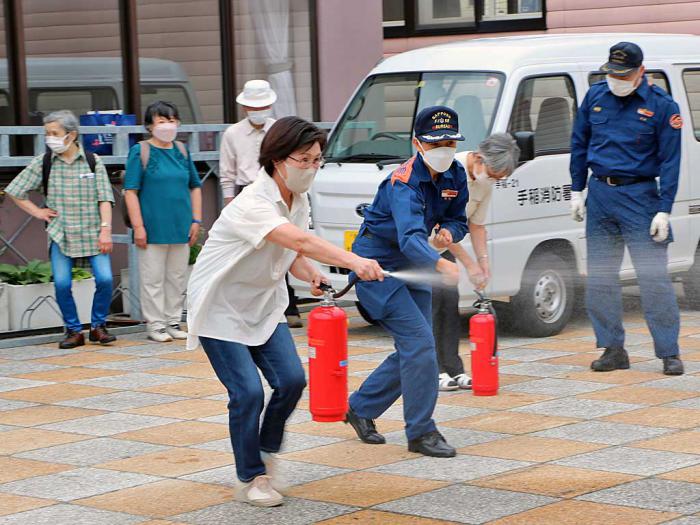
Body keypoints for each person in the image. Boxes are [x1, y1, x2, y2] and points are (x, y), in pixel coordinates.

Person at [186, 117, 383, 507]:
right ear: (278, 159)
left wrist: (312, 274)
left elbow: (291, 252)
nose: (311, 168)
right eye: (304, 159)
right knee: (246, 392)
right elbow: (296, 238)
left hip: (262, 304)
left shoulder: (298, 199)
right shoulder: (252, 203)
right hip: (220, 308)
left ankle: (265, 452)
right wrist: (353, 261)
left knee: (292, 381)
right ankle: (250, 477)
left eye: (317, 160)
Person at [345, 106, 468, 458]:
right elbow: (410, 235)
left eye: (449, 141)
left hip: (413, 263)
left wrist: (449, 231)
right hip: (376, 266)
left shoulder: (454, 174)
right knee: (420, 346)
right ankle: (421, 432)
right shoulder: (404, 182)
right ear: (417, 143)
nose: (444, 148)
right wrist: (438, 262)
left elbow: (458, 217)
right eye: (435, 143)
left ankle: (361, 408)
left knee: (416, 347)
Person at [570, 41, 684, 376]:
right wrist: (576, 189)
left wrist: (665, 209)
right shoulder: (595, 96)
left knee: (654, 280)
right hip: (601, 195)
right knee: (601, 279)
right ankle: (612, 349)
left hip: (641, 198)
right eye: (612, 73)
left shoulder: (662, 106)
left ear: (640, 73)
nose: (616, 80)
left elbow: (671, 161)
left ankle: (668, 352)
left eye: (623, 74)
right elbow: (579, 142)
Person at [5, 110, 116, 349]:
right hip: (60, 234)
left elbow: (105, 199)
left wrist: (105, 229)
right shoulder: (44, 162)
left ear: (72, 135)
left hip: (93, 232)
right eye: (47, 134)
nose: (50, 138)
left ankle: (98, 326)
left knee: (106, 279)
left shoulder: (93, 161)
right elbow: (15, 190)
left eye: (55, 133)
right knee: (62, 284)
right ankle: (74, 331)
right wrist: (38, 212)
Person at [433, 133, 520, 391]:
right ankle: (433, 369)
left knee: (449, 306)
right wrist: (469, 264)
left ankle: (454, 368)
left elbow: (477, 225)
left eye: (499, 178)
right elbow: (441, 227)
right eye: (494, 174)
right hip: (420, 244)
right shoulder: (448, 171)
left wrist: (483, 262)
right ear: (480, 159)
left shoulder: (486, 182)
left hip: (444, 248)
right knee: (431, 305)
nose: (494, 180)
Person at [219, 79, 303, 328]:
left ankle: (289, 305)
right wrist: (230, 205)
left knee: (284, 247)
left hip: (278, 190)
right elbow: (227, 173)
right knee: (253, 253)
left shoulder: (279, 129)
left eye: (262, 106)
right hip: (247, 195)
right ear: (245, 107)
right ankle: (250, 305)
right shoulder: (232, 133)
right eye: (253, 107)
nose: (258, 111)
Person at [124, 100, 203, 342]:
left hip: (180, 225)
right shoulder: (141, 151)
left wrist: (196, 220)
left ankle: (173, 321)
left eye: (171, 120)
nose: (167, 126)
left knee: (177, 276)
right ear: (149, 126)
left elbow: (195, 186)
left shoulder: (182, 150)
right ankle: (156, 324)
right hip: (151, 227)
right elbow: (130, 191)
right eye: (161, 121)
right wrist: (138, 226)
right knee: (153, 278)